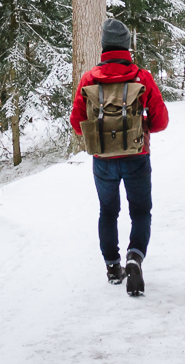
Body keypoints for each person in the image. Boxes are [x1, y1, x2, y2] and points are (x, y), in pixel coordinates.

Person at [69, 19, 169, 296]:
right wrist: (140, 124)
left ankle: (113, 267)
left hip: (103, 159)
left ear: (104, 46)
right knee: (140, 211)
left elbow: (77, 124)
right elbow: (161, 122)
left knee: (108, 212)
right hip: (137, 155)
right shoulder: (141, 77)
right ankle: (134, 257)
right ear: (127, 46)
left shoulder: (89, 79)